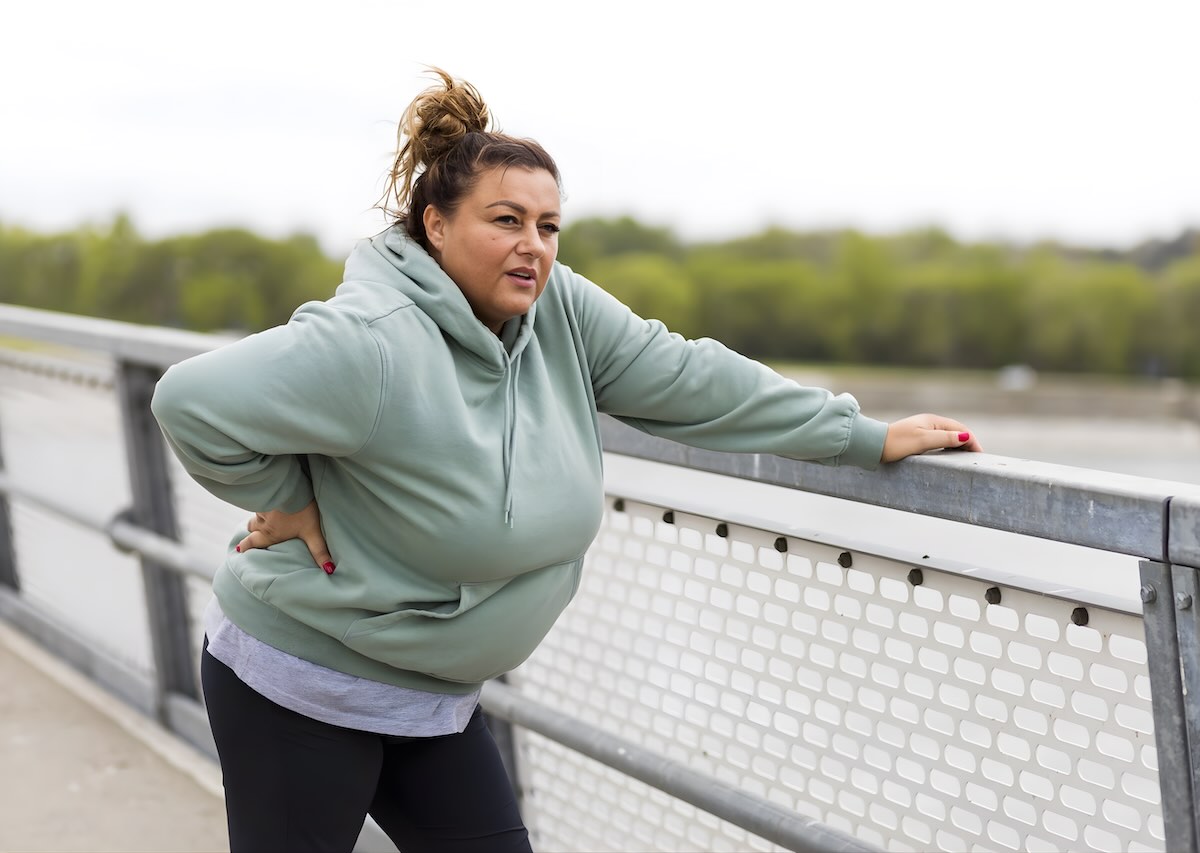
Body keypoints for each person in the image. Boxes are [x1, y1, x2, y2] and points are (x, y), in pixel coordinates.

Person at [151, 68, 982, 853]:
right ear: (435, 225)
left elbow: (691, 376)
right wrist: (287, 493)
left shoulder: (560, 313)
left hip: (433, 698)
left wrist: (861, 435)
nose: (534, 247)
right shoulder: (372, 343)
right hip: (303, 683)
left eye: (548, 226)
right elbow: (189, 401)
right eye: (505, 220)